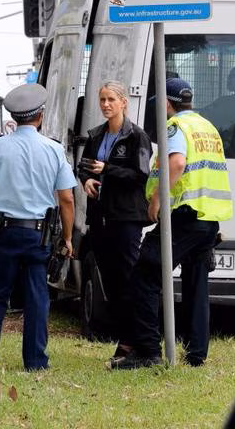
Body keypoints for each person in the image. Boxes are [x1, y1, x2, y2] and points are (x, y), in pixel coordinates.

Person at [110, 78, 233, 370]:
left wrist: (157, 200)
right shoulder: (207, 127)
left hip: (184, 215)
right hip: (208, 217)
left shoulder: (176, 126)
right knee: (197, 283)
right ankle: (197, 354)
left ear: (167, 103)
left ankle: (147, 352)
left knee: (145, 275)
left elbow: (176, 163)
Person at [0, 83, 77, 373]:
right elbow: (66, 198)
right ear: (41, 116)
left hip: (3, 232)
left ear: (14, 118)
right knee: (37, 298)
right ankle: (35, 361)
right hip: (38, 235)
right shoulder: (54, 149)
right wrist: (67, 238)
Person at [78, 81, 152, 343]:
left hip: (126, 216)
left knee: (127, 274)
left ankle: (136, 335)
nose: (106, 104)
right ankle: (121, 334)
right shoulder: (96, 134)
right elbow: (84, 166)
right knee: (107, 276)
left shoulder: (137, 136)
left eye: (111, 99)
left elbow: (141, 175)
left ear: (123, 103)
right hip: (100, 216)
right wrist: (87, 180)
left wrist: (108, 169)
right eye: (102, 99)